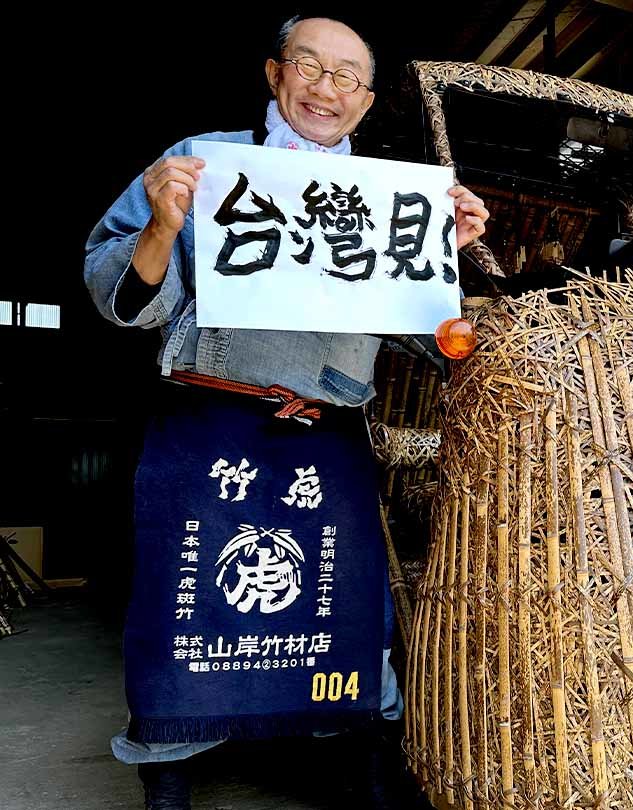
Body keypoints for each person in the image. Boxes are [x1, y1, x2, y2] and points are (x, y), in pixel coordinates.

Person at [84, 15, 489, 810]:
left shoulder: (388, 196)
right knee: (185, 616)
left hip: (328, 432)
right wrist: (165, 226)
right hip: (209, 420)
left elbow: (426, 343)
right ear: (276, 74)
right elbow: (119, 294)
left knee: (342, 610)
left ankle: (363, 767)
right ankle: (168, 776)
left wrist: (450, 259)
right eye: (309, 65)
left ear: (366, 102)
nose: (325, 89)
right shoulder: (202, 161)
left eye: (347, 77)